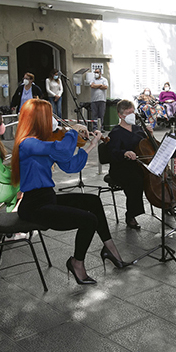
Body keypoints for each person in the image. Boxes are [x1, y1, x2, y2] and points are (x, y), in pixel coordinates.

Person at [11, 99, 129, 285]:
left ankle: (110, 249)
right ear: (38, 119)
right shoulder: (27, 144)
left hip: (47, 198)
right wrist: (72, 131)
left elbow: (70, 165)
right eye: (49, 116)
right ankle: (77, 263)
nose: (53, 120)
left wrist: (92, 144)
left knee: (93, 202)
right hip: (34, 206)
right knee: (89, 220)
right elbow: (63, 149)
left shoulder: (45, 142)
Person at [107, 100, 153, 229]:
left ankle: (167, 204)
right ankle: (131, 214)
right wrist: (125, 152)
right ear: (120, 115)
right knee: (136, 180)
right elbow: (112, 152)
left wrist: (151, 136)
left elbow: (146, 146)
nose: (132, 115)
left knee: (158, 174)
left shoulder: (139, 129)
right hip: (121, 167)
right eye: (128, 113)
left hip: (139, 164)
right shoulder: (115, 133)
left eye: (133, 112)